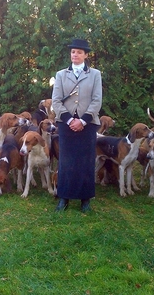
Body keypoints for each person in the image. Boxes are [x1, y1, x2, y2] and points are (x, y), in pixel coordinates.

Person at [51, 38, 102, 212]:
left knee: (86, 161)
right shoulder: (61, 75)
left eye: (79, 52)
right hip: (66, 124)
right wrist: (69, 120)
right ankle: (63, 198)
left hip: (87, 125)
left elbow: (97, 101)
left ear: (86, 55)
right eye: (73, 51)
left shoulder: (95, 74)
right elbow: (56, 101)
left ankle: (85, 200)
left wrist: (82, 120)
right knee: (66, 161)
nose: (75, 55)